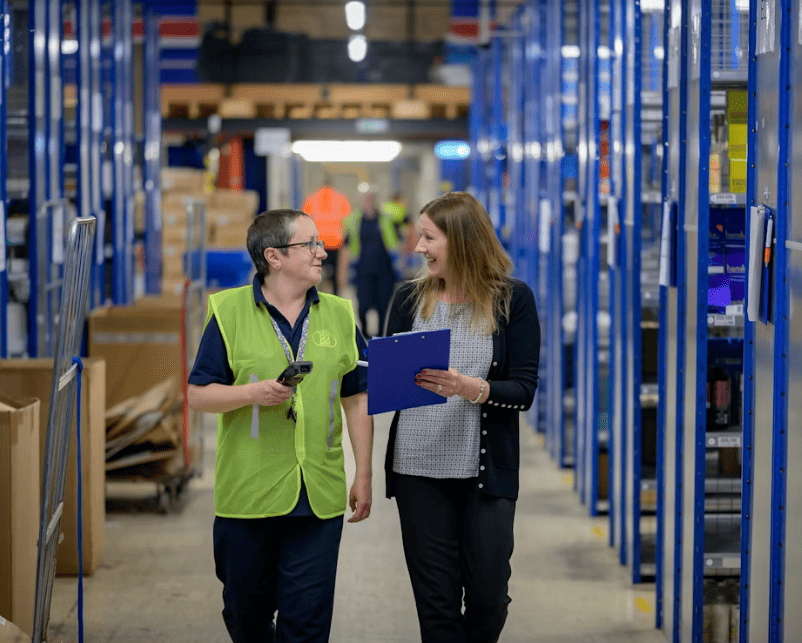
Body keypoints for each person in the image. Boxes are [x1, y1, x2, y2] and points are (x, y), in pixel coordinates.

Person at [186, 208, 373, 643]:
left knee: (306, 625)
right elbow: (197, 394)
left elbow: (357, 396)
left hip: (319, 496)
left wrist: (363, 472)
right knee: (246, 619)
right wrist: (251, 394)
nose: (321, 252)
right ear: (273, 256)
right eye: (309, 244)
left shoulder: (340, 315)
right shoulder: (228, 312)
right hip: (248, 495)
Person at [381, 191, 541, 643]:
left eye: (429, 238)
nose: (418, 247)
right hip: (417, 471)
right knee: (437, 606)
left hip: (483, 475)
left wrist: (471, 388)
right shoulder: (409, 299)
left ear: (463, 240)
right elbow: (393, 384)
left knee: (490, 600)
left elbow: (524, 391)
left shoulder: (514, 300)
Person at [343, 192, 408, 338]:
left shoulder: (387, 219)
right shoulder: (354, 221)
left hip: (385, 271)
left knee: (383, 307)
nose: (368, 202)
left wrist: (402, 264)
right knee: (363, 305)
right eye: (366, 199)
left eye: (371, 198)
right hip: (362, 272)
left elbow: (401, 240)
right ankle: (365, 331)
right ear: (361, 201)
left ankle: (380, 337)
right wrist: (343, 272)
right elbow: (346, 247)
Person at [301, 178, 352, 296]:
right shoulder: (341, 197)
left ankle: (315, 298)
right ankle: (335, 298)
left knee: (315, 273)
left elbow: (304, 220)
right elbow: (348, 220)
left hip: (317, 242)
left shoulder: (311, 197)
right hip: (336, 242)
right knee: (335, 275)